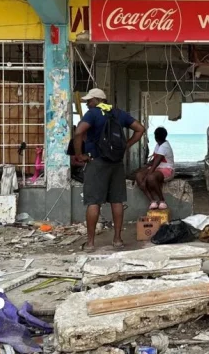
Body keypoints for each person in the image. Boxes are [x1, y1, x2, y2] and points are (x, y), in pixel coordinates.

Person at [73, 88, 145, 252]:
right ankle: (117, 240)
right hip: (116, 163)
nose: (87, 104)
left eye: (89, 101)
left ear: (97, 100)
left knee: (93, 202)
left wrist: (79, 154)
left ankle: (90, 243)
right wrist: (126, 146)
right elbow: (140, 129)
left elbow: (78, 132)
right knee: (117, 201)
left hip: (96, 162)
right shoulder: (118, 113)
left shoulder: (93, 113)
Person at [136, 127, 174, 210]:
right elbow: (153, 160)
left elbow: (154, 165)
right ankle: (152, 201)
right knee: (139, 175)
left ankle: (162, 201)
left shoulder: (164, 146)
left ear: (155, 137)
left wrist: (144, 180)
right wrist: (145, 167)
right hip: (158, 169)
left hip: (167, 169)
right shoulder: (158, 145)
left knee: (151, 178)